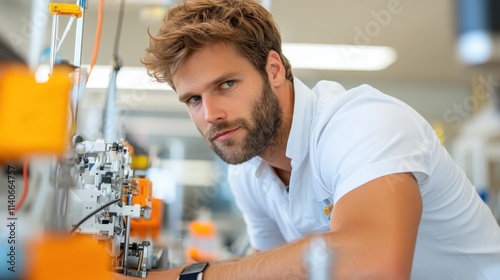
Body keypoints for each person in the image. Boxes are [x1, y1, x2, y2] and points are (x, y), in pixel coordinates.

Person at [129, 0, 500, 279]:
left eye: (226, 84)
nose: (210, 114)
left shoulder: (362, 123)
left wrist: (190, 276)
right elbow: (269, 271)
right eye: (193, 99)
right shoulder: (247, 170)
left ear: (273, 69)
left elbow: (374, 264)